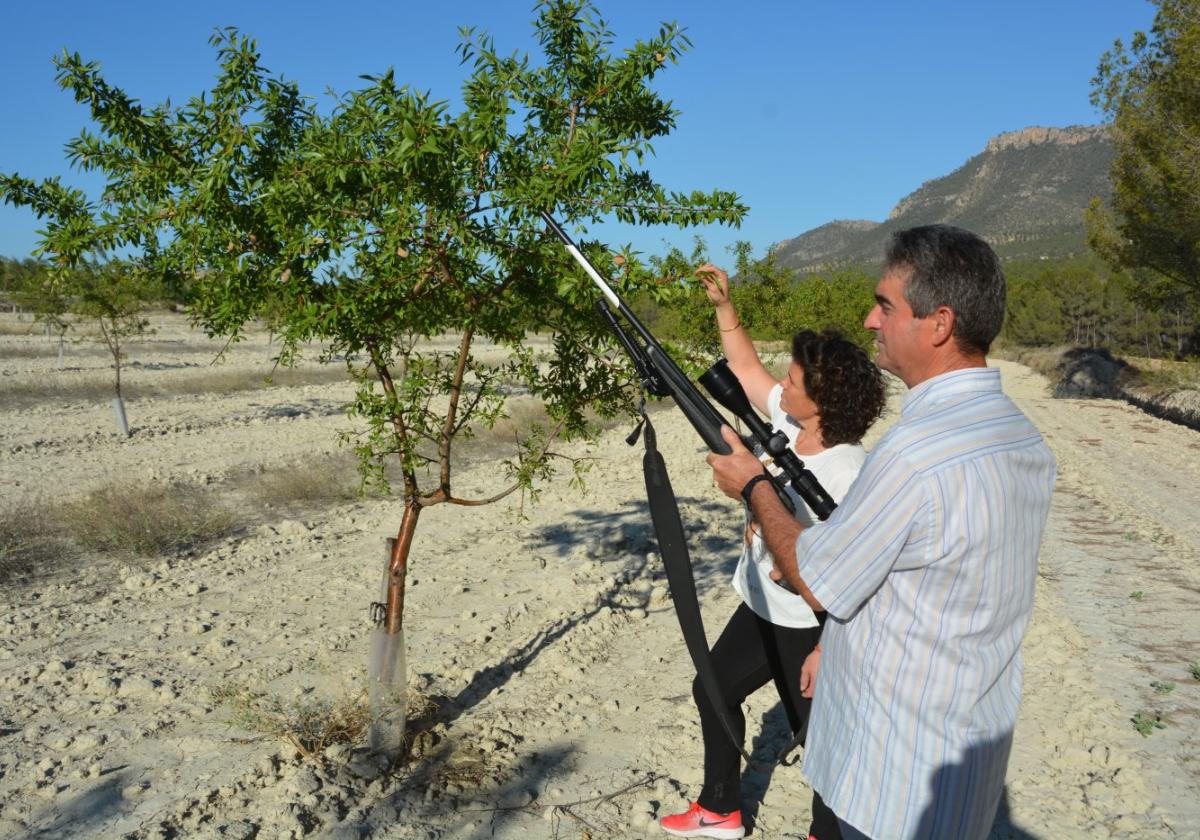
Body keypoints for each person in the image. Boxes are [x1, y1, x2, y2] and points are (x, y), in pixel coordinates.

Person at [706, 225, 1056, 840]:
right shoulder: (1020, 435)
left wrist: (755, 488)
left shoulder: (913, 454)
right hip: (961, 763)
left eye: (886, 305)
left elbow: (816, 581)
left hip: (895, 780)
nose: (870, 320)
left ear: (939, 323)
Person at [659, 264, 887, 840]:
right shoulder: (791, 419)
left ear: (825, 401)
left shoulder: (849, 470)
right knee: (712, 690)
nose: (780, 387)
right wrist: (722, 306)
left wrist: (825, 643)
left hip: (809, 624)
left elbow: (844, 568)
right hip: (761, 602)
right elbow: (743, 368)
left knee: (823, 741)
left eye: (793, 381)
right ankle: (720, 810)